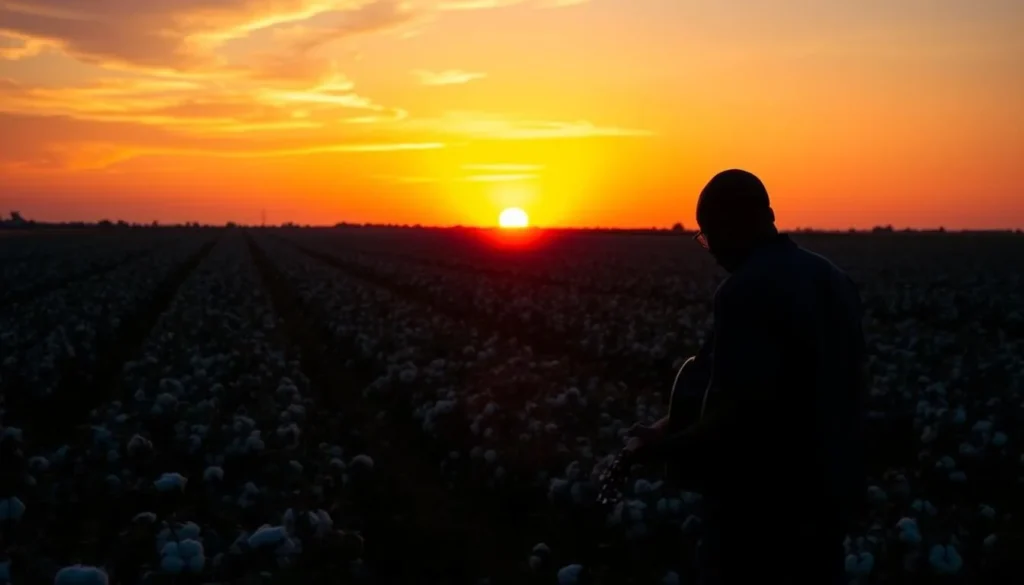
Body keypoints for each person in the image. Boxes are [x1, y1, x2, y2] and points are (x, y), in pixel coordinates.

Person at [623, 169, 867, 584]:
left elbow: (736, 412)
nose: (711, 248)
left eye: (711, 233)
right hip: (828, 495)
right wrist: (666, 427)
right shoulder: (834, 279)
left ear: (743, 223)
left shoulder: (743, 291)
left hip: (760, 508)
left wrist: (664, 450)